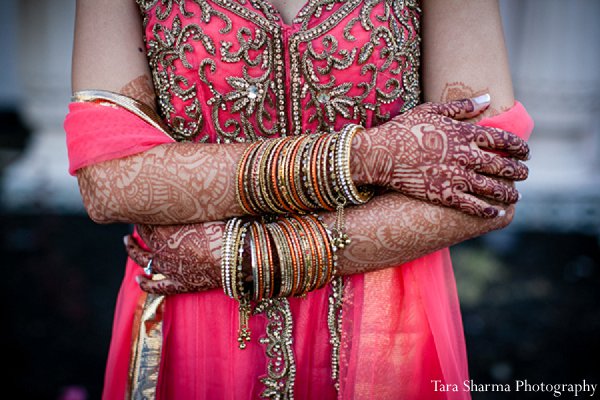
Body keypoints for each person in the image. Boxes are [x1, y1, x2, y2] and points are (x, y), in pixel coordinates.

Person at [66, 0, 533, 399]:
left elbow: (488, 176)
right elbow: (108, 183)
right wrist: (364, 157)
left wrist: (253, 257)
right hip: (198, 320)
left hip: (375, 325)